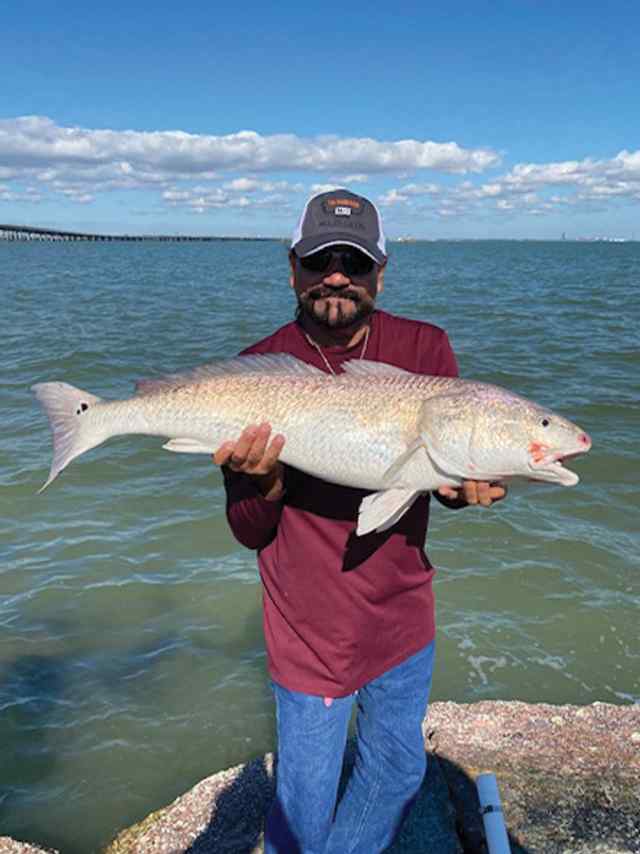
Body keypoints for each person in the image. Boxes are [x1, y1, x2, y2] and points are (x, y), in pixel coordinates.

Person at [213, 189, 506, 854]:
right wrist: (264, 480)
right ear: (293, 268)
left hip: (403, 620)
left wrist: (461, 491)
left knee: (398, 771)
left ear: (381, 272)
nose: (337, 276)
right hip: (309, 631)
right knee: (303, 806)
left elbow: (434, 476)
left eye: (355, 261)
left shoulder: (425, 348)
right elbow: (250, 530)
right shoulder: (255, 369)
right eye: (320, 261)